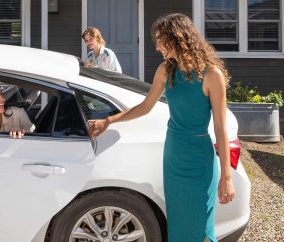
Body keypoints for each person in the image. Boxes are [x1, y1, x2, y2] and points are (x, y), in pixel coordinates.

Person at [88, 13, 235, 242]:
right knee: (178, 224)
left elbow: (220, 128)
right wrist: (110, 120)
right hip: (174, 156)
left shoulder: (211, 75)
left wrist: (226, 176)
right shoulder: (166, 70)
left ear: (177, 38)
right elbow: (145, 107)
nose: (157, 47)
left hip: (200, 160)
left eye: (160, 40)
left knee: (200, 227)